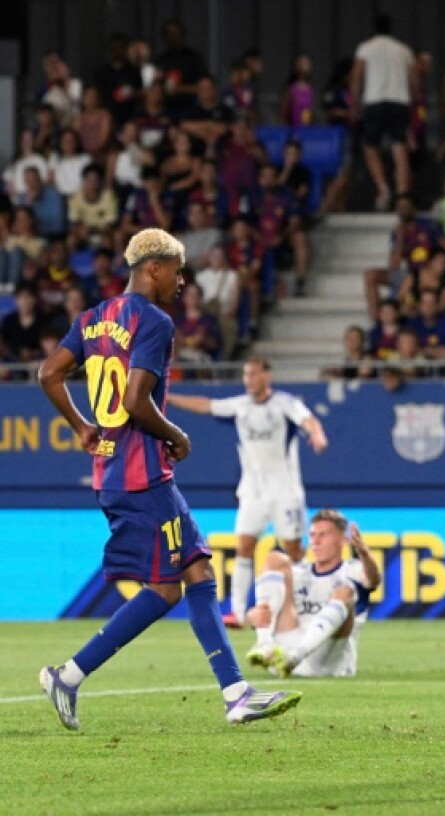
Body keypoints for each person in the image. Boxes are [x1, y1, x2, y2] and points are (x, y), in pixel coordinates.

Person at [35, 228, 301, 730]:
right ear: (153, 268)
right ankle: (69, 675)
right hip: (142, 476)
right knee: (165, 589)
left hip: (117, 469)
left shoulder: (92, 319)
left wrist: (81, 427)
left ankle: (236, 693)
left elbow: (49, 373)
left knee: (196, 571)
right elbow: (137, 401)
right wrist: (178, 434)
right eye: (177, 271)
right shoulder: (152, 321)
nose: (182, 281)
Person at [165, 357, 329, 628]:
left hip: (285, 491)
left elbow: (308, 419)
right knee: (244, 546)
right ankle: (239, 613)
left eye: (253, 374)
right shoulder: (240, 406)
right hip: (252, 490)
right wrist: (169, 398)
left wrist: (318, 433)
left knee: (294, 551)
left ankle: (301, 607)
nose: (248, 380)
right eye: (246, 375)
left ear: (267, 375)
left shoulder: (284, 403)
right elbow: (206, 405)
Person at [247, 509, 380, 678]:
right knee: (275, 559)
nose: (315, 541)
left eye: (323, 535)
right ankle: (265, 644)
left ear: (343, 540)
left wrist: (364, 553)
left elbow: (373, 580)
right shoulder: (297, 573)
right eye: (312, 535)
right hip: (287, 647)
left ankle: (296, 657)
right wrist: (252, 617)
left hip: (330, 660)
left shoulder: (353, 570)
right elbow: (258, 612)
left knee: (345, 592)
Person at [352, 13, 416, 208]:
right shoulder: (403, 50)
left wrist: (355, 104)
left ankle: (383, 187)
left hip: (375, 101)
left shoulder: (366, 48)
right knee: (399, 146)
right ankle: (402, 191)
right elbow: (414, 79)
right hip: (399, 101)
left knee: (370, 146)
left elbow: (356, 76)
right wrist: (412, 100)